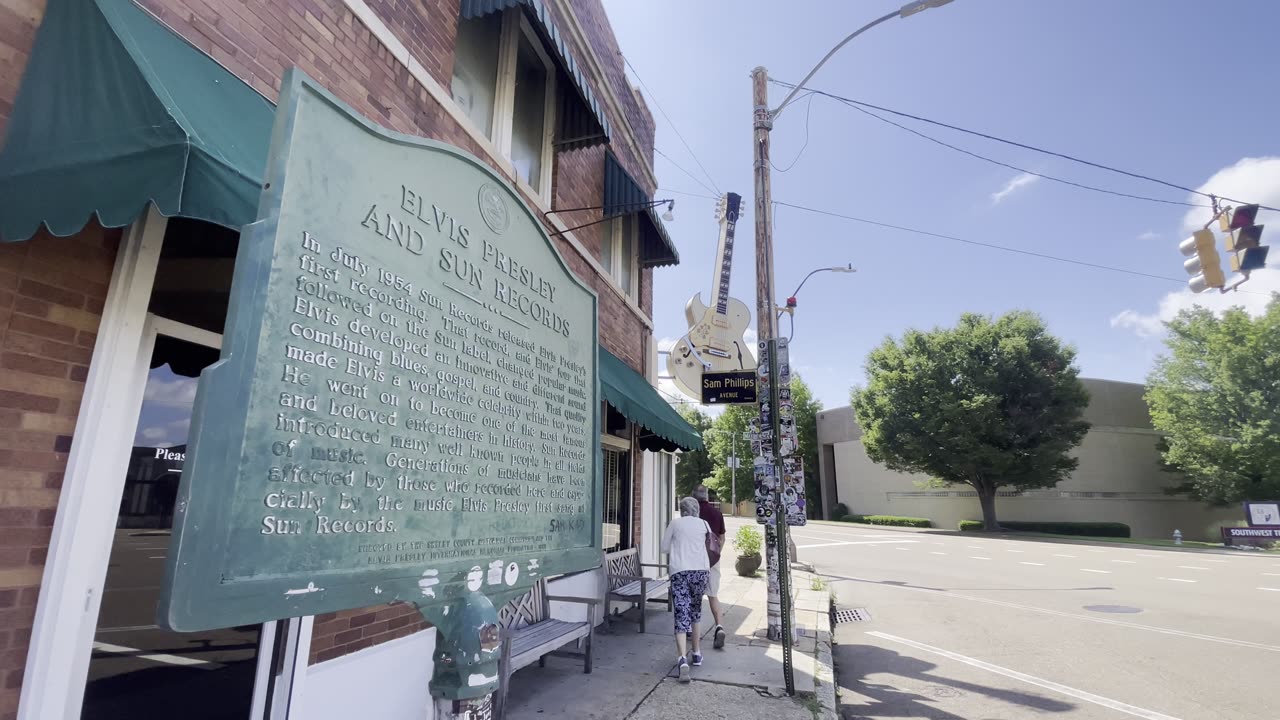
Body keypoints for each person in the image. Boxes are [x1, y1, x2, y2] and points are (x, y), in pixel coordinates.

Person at [660, 497, 712, 682]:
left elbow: (664, 547)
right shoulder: (704, 524)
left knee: (681, 612)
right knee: (695, 612)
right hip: (700, 572)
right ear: (697, 509)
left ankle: (682, 658)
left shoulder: (675, 524)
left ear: (681, 509)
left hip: (680, 571)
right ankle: (696, 653)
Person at [694, 484, 727, 649]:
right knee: (713, 595)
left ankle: (695, 632)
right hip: (713, 558)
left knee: (696, 596)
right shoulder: (717, 513)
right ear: (707, 496)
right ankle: (719, 626)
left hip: (695, 559)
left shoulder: (693, 514)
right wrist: (716, 554)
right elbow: (722, 538)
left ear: (694, 497)